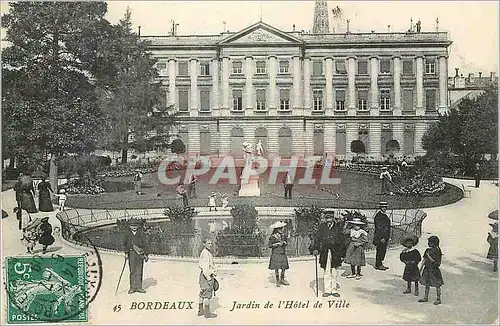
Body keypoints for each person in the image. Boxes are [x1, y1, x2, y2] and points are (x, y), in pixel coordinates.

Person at [309, 212, 347, 297]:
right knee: (326, 270)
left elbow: (342, 242)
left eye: (330, 218)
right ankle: (327, 290)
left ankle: (333, 290)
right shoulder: (322, 227)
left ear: (333, 218)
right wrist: (315, 249)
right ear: (325, 219)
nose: (329, 220)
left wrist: (342, 255)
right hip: (325, 252)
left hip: (335, 252)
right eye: (327, 218)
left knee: (334, 271)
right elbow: (317, 239)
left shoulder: (338, 228)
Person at [123, 218, 149, 294]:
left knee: (139, 270)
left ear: (138, 226)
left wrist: (146, 254)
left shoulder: (141, 233)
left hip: (140, 254)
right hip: (131, 253)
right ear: (129, 226)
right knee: (132, 270)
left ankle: (139, 287)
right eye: (132, 225)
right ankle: (132, 287)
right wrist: (126, 253)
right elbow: (124, 244)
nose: (134, 227)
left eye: (135, 225)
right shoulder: (127, 233)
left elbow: (145, 244)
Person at [419, 235, 444, 305]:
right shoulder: (427, 250)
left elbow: (437, 263)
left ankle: (438, 299)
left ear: (434, 243)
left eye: (429, 242)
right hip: (427, 269)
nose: (428, 243)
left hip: (434, 270)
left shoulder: (437, 251)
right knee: (427, 283)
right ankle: (425, 297)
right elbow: (424, 260)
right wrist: (420, 269)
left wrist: (429, 256)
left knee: (437, 284)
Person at [198, 238, 218, 319]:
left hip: (202, 275)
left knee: (202, 293)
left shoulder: (204, 252)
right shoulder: (206, 253)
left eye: (211, 243)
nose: (210, 245)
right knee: (207, 295)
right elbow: (205, 266)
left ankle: (200, 311)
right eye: (208, 243)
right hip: (206, 276)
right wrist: (208, 277)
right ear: (204, 244)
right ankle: (207, 313)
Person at [268, 221, 290, 287]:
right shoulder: (273, 236)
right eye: (281, 228)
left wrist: (284, 243)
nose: (282, 229)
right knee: (276, 267)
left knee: (284, 267)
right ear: (277, 229)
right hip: (276, 253)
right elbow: (269, 245)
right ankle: (277, 280)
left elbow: (286, 243)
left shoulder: (283, 236)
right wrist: (277, 244)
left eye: (282, 228)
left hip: (282, 252)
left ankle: (282, 279)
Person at [373, 201, 391, 270]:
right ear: (380, 207)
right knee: (380, 250)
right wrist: (382, 237)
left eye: (385, 207)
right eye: (383, 207)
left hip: (385, 236)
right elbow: (379, 228)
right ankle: (378, 264)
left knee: (383, 250)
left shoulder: (384, 215)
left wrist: (387, 237)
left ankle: (380, 263)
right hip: (380, 237)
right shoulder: (378, 216)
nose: (384, 208)